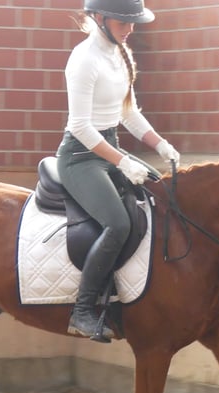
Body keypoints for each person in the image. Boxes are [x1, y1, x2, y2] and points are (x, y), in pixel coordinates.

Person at [57, 0, 180, 342]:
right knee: (118, 223)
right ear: (99, 18)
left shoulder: (120, 55)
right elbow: (81, 127)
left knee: (158, 193)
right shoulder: (83, 60)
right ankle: (82, 311)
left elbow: (129, 113)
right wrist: (122, 162)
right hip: (80, 158)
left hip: (109, 148)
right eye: (124, 22)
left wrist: (160, 144)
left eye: (132, 22)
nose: (131, 29)